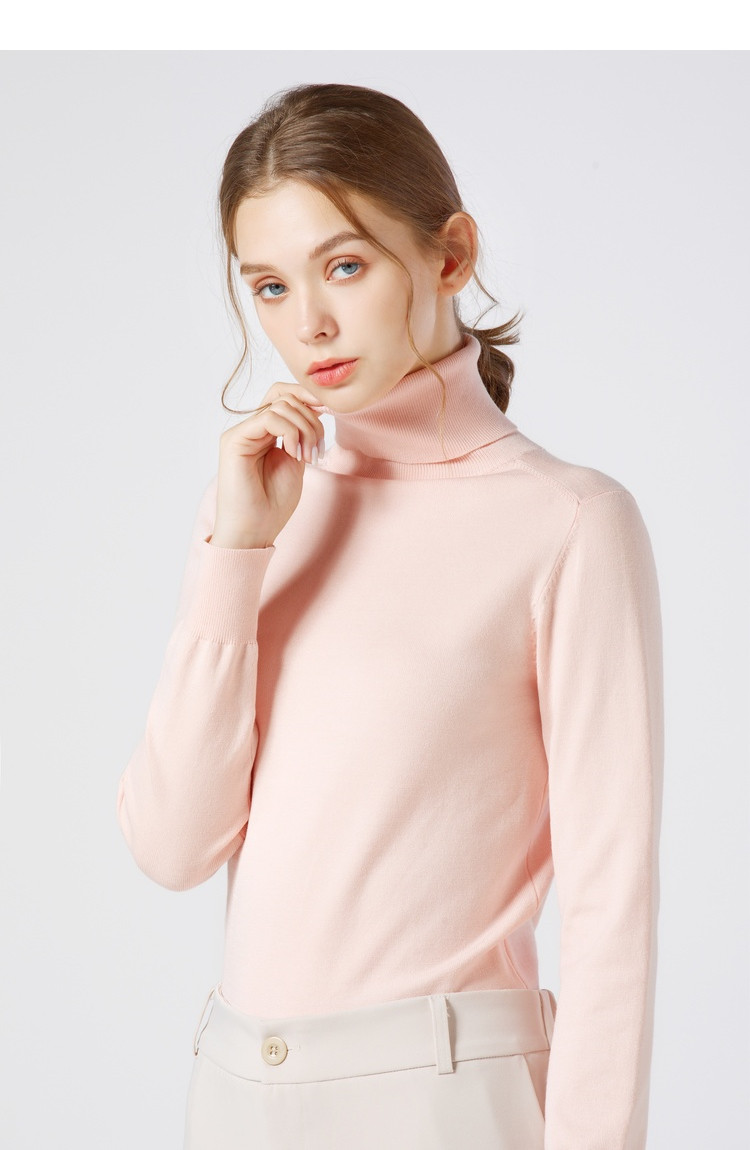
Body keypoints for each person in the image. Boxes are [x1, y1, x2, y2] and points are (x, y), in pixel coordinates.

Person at [116, 82, 664, 1150]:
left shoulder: (567, 523)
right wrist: (235, 555)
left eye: (345, 267)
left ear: (450, 255)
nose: (307, 325)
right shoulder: (256, 507)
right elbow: (174, 846)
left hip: (440, 1099)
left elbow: (613, 904)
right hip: (236, 1091)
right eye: (269, 287)